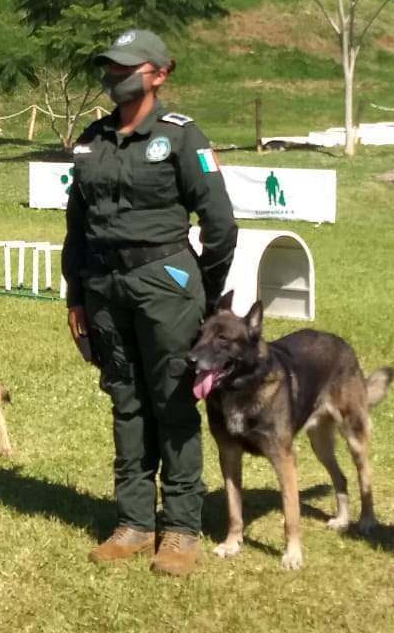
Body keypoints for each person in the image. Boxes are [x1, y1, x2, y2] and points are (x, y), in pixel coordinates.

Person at [62, 29, 238, 576]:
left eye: (125, 68)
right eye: (109, 68)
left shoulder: (183, 138)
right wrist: (76, 293)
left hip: (166, 282)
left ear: (159, 73)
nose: (114, 77)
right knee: (126, 400)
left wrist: (201, 291)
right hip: (104, 288)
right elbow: (77, 224)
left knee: (173, 402)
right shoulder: (92, 139)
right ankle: (135, 523)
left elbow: (221, 225)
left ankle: (182, 528)